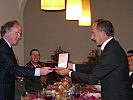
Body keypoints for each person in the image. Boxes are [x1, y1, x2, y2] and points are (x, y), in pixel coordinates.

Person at [56, 19, 133, 100]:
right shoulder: (111, 47)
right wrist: (72, 66)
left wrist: (69, 73)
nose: (92, 37)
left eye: (93, 33)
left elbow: (91, 79)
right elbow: (94, 66)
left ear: (103, 33)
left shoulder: (111, 51)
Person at [0, 20, 53, 100]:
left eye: (20, 34)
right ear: (7, 32)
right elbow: (12, 68)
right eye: (17, 33)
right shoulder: (3, 47)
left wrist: (16, 76)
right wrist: (38, 71)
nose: (19, 37)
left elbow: (7, 69)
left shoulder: (6, 46)